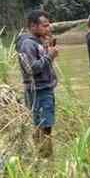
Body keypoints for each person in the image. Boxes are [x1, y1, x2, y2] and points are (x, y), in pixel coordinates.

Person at [16, 9, 58, 158]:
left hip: (43, 89)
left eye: (48, 25)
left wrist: (47, 49)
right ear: (33, 26)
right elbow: (31, 69)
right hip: (38, 90)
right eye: (45, 26)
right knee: (43, 125)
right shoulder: (27, 44)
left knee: (44, 124)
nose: (48, 28)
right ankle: (45, 157)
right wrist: (49, 56)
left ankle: (44, 156)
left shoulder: (37, 42)